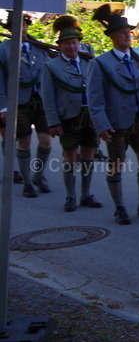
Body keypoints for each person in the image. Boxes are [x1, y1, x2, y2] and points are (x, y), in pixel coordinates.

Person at [86, 5, 139, 225]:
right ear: (112, 37)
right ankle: (119, 207)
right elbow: (95, 98)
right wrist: (101, 125)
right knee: (116, 164)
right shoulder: (100, 63)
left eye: (128, 31)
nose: (127, 34)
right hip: (116, 122)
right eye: (122, 32)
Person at [39, 16, 102, 212]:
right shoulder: (51, 67)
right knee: (70, 156)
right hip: (68, 117)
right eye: (67, 44)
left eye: (74, 43)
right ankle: (70, 196)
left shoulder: (88, 63)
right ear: (60, 46)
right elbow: (48, 98)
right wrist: (53, 122)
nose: (72, 47)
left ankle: (86, 194)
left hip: (89, 116)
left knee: (89, 154)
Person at [0, 16, 55, 198]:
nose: (20, 28)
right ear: (10, 29)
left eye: (23, 25)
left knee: (46, 140)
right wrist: (3, 107)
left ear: (26, 26)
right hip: (18, 102)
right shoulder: (3, 49)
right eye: (16, 25)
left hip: (40, 100)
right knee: (24, 142)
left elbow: (50, 71)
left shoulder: (39, 47)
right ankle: (27, 182)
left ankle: (38, 175)